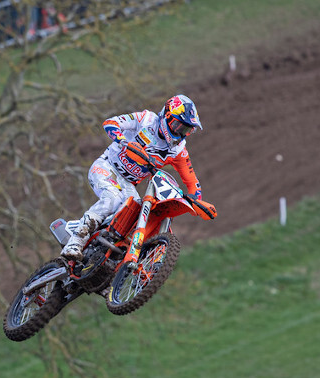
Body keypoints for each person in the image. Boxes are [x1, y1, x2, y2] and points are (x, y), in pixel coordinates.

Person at [61, 94, 215, 261]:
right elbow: (110, 123)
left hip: (128, 183)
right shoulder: (146, 119)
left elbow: (192, 181)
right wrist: (122, 141)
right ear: (167, 116)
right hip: (107, 167)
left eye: (186, 130)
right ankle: (75, 241)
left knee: (135, 215)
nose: (180, 132)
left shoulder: (178, 150)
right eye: (178, 125)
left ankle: (105, 260)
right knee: (112, 199)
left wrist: (196, 200)